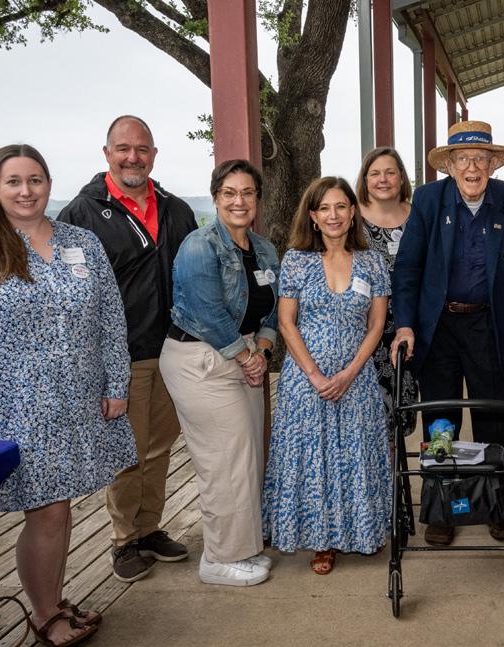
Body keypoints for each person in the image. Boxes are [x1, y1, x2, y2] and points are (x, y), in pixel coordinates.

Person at [0, 145, 136, 646]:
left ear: (48, 184)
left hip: (78, 402)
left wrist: (116, 383)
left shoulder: (81, 241)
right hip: (15, 407)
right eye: (14, 181)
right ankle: (45, 615)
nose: (26, 191)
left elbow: (111, 318)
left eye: (35, 180)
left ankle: (52, 598)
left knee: (58, 507)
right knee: (49, 510)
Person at [392, 120, 504, 546]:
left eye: (480, 158)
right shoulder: (428, 200)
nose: (472, 168)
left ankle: (498, 508)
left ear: (493, 164)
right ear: (450, 165)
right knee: (440, 421)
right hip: (438, 326)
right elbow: (407, 269)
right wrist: (405, 325)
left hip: (491, 325)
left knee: (494, 419)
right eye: (463, 159)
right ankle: (442, 509)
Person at [59, 115, 197, 582]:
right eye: (123, 149)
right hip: (122, 358)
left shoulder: (176, 210)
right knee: (127, 452)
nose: (133, 157)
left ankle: (150, 529)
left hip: (174, 350)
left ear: (153, 155)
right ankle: (123, 541)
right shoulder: (81, 214)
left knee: (159, 447)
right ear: (107, 154)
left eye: (142, 149)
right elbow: (70, 297)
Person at [263, 177, 391, 575]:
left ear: (353, 213)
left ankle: (360, 532)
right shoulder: (296, 260)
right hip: (306, 382)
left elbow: (376, 325)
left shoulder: (373, 262)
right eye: (324, 208)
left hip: (358, 379)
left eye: (340, 207)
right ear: (313, 216)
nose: (333, 215)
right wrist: (316, 376)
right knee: (313, 459)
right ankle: (322, 542)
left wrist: (351, 372)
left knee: (354, 456)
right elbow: (286, 323)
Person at [159, 159, 279, 587]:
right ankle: (218, 558)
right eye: (229, 193)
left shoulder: (264, 249)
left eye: (247, 192)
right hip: (201, 360)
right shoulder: (199, 246)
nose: (238, 201)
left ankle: (241, 548)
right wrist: (247, 357)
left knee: (245, 457)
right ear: (215, 198)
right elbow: (207, 312)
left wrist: (262, 348)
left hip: (245, 354)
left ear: (257, 198)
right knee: (223, 461)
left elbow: (274, 307)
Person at [356, 147, 419, 435]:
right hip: (364, 330)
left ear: (402, 177)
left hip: (409, 328)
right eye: (375, 173)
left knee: (401, 412)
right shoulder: (351, 218)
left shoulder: (418, 215)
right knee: (368, 416)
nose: (383, 179)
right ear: (365, 179)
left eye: (390, 172)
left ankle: (396, 463)